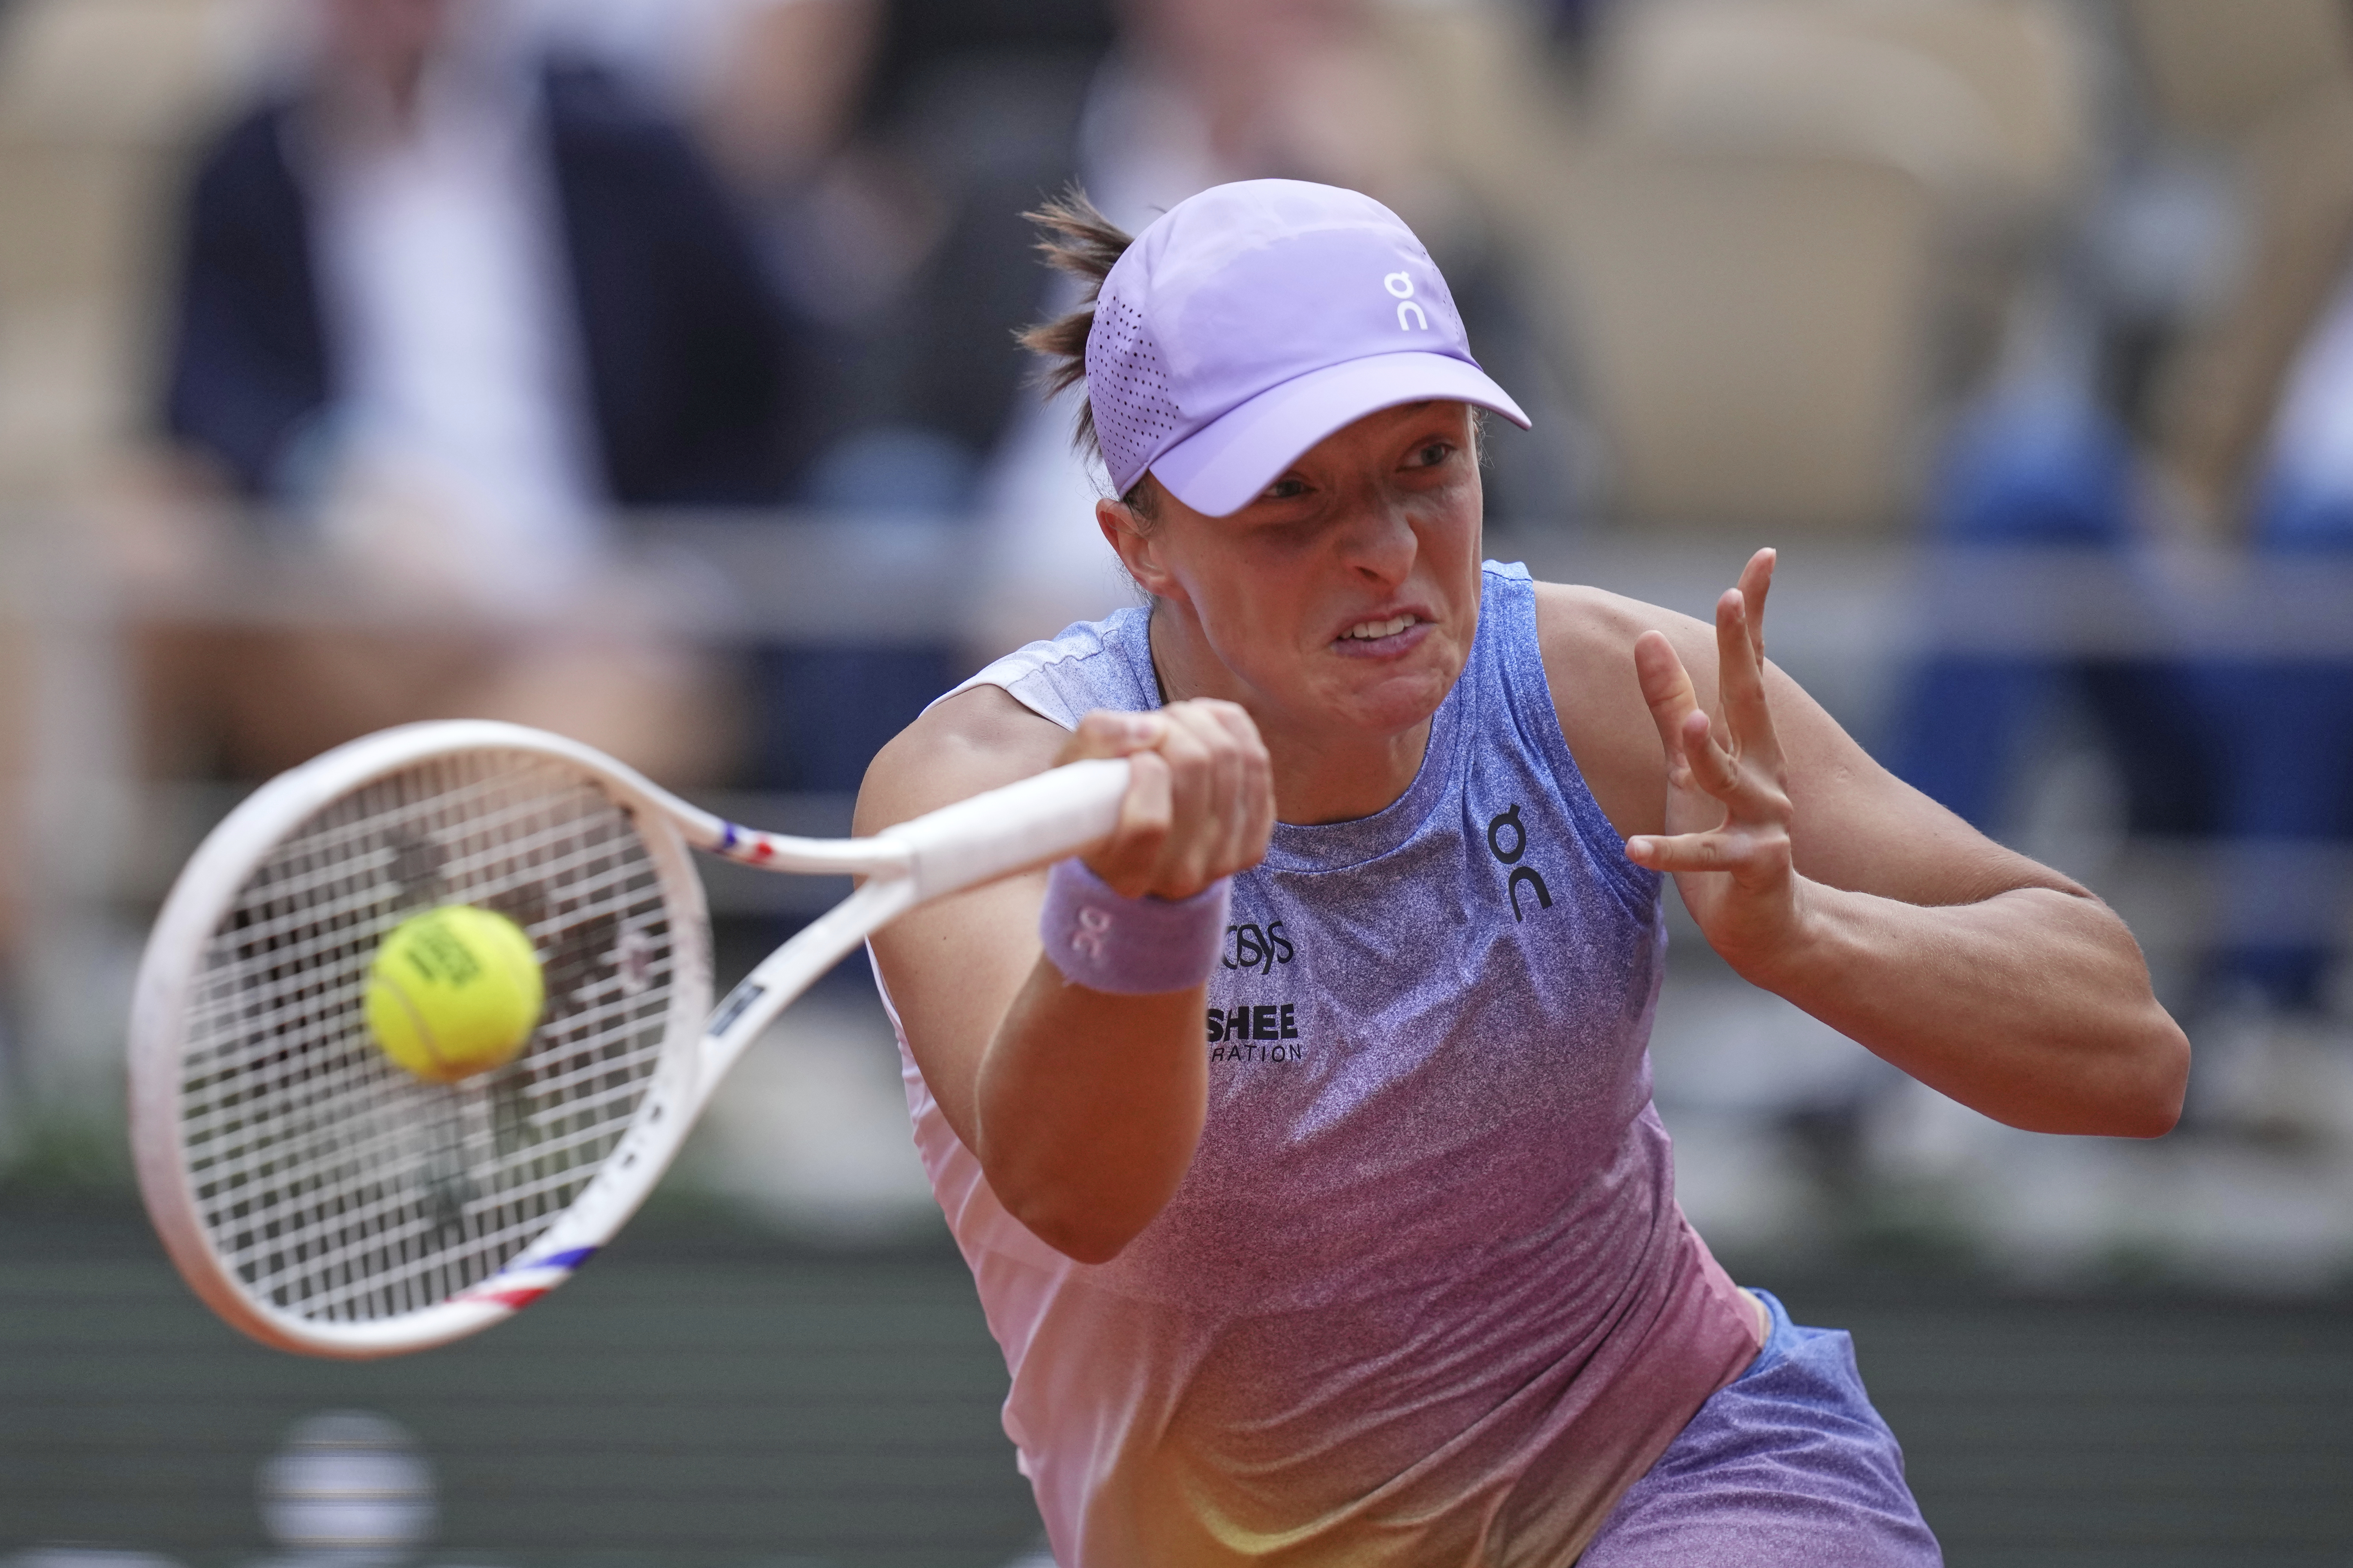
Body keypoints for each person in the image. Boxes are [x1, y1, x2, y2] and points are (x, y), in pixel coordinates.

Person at [855, 180, 2188, 1567]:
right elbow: (1078, 1196)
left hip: (1677, 1482)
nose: (1381, 549)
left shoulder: (1615, 690)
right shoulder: (979, 791)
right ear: (1140, 545)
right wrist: (1147, 908)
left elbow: (2132, 1054)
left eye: (1427, 461)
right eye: (1288, 495)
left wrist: (1806, 938)